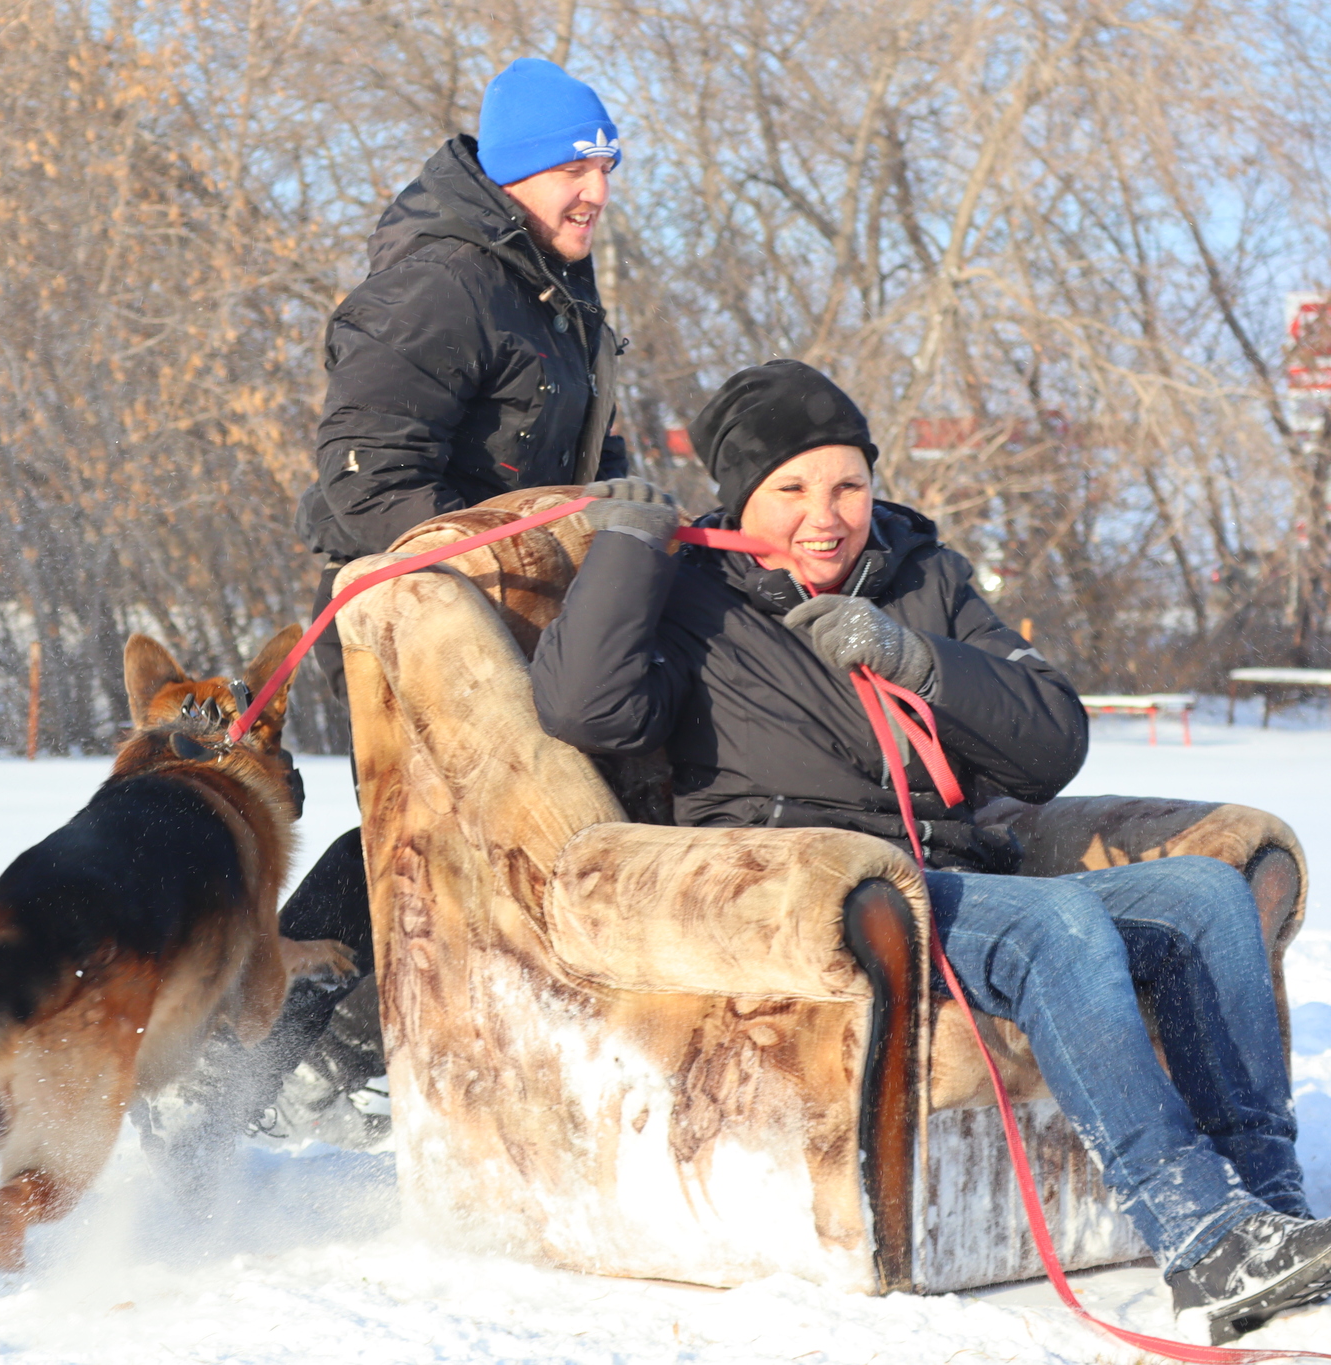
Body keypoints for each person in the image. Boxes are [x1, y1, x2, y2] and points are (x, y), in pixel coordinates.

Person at [527, 357, 1331, 1346]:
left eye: (847, 486)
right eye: (789, 490)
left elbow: (1050, 744)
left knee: (1205, 895)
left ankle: (1265, 1209)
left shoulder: (924, 575)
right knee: (1061, 921)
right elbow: (581, 709)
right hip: (817, 888)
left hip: (961, 874)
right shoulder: (691, 599)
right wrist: (624, 552)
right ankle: (1201, 1238)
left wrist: (918, 660)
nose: (824, 515)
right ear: (738, 498)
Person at [134, 57, 639, 1165]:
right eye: (570, 166)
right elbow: (362, 473)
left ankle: (365, 1051)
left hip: (525, 615)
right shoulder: (442, 284)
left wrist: (633, 523)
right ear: (512, 172)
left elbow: (588, 454)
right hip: (415, 616)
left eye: (604, 165)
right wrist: (487, 557)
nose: (593, 187)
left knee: (469, 843)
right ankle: (239, 1054)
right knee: (422, 841)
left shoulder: (555, 287)